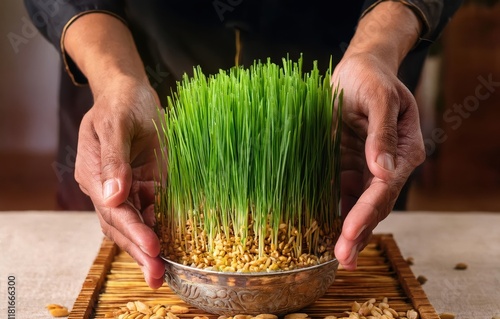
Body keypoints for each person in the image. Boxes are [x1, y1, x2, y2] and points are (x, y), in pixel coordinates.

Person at [24, 0, 462, 288]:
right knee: (124, 212)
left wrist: (377, 48)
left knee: (353, 206)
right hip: (140, 64)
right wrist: (113, 78)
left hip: (337, 82)